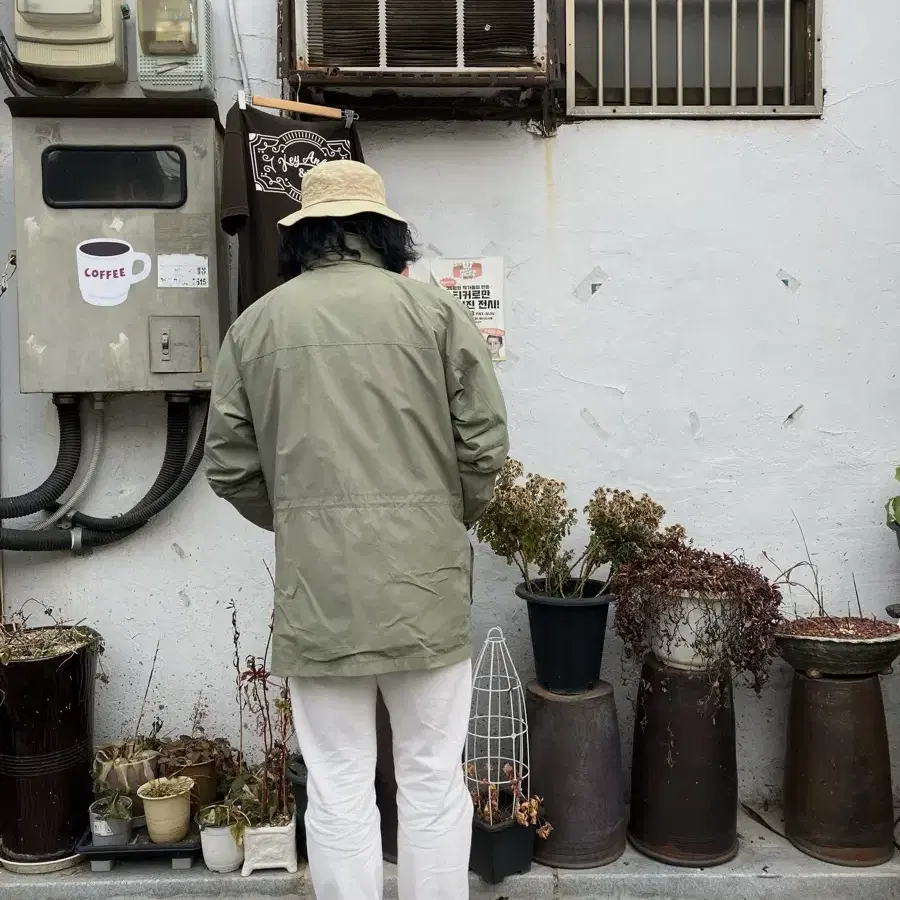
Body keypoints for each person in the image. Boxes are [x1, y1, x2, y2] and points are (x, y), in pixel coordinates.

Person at [204, 160, 509, 900]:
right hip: (423, 587)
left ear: (301, 237)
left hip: (320, 593)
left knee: (337, 783)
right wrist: (443, 517)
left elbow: (228, 464)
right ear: (384, 234)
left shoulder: (257, 326)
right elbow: (486, 447)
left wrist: (296, 523)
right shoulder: (436, 315)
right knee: (432, 779)